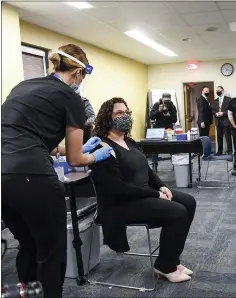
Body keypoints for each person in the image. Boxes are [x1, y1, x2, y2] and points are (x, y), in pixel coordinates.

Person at [1, 44, 112, 298]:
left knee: (27, 244)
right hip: (33, 179)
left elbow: (31, 139)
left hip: (3, 178)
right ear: (78, 73)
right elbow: (76, 159)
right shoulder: (71, 97)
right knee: (51, 252)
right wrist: (94, 155)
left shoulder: (23, 87)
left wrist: (72, 148)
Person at [90, 97, 196, 283]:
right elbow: (117, 188)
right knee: (177, 212)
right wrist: (156, 194)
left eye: (126, 112)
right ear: (108, 117)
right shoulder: (103, 147)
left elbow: (147, 171)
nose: (125, 116)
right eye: (119, 113)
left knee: (188, 202)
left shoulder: (129, 142)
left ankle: (171, 258)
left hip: (142, 195)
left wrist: (161, 186)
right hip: (121, 204)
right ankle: (165, 266)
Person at [149, 93, 178, 169]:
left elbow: (175, 120)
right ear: (162, 99)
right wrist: (158, 110)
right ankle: (154, 165)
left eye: (168, 101)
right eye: (165, 101)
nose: (166, 102)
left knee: (172, 148)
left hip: (169, 128)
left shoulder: (172, 106)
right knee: (155, 149)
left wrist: (169, 115)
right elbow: (151, 117)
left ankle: (175, 165)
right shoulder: (157, 105)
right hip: (158, 129)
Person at [212, 86, 232, 154]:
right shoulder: (215, 101)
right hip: (218, 121)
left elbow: (230, 110)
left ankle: (229, 151)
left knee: (228, 137)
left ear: (222, 90)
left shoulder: (229, 100)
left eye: (219, 90)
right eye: (216, 90)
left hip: (226, 121)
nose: (218, 91)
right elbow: (213, 110)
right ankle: (219, 151)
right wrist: (216, 114)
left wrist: (223, 113)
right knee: (219, 137)